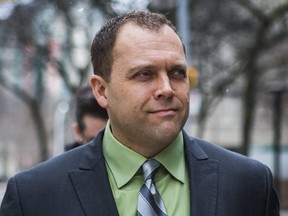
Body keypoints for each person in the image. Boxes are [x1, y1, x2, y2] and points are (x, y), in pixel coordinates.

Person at [0, 11, 280, 216]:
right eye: (145, 74)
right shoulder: (34, 197)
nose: (167, 89)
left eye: (177, 73)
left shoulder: (249, 185)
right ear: (101, 91)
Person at [65, 86, 108, 151]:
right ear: (78, 132)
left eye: (110, 139)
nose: (104, 149)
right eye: (93, 141)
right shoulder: (64, 160)